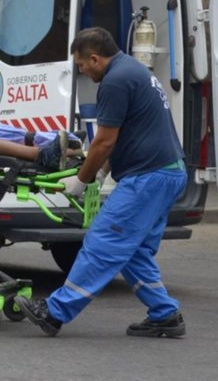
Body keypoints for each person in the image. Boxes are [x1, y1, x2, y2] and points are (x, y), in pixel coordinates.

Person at [14, 27, 188, 338]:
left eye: (81, 64)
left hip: (148, 178)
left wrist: (81, 181)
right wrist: (102, 171)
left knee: (102, 243)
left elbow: (105, 141)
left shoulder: (115, 82)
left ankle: (54, 312)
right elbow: (125, 136)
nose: (80, 70)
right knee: (132, 251)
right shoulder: (133, 70)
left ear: (95, 58)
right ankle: (165, 314)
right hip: (168, 173)